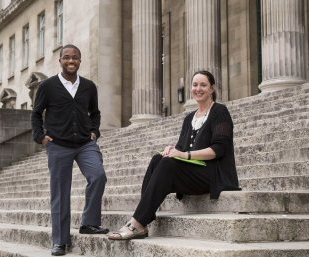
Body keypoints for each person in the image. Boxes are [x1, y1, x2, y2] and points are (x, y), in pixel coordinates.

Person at [108, 70, 241, 240]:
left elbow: (219, 149)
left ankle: (137, 223)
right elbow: (181, 148)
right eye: (194, 85)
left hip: (214, 174)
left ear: (212, 89)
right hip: (194, 173)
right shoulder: (189, 118)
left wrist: (185, 155)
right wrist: (171, 150)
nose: (198, 89)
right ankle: (143, 220)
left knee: (168, 164)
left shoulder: (220, 111)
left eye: (203, 85)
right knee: (159, 159)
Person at [31, 44, 109, 256]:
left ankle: (89, 223)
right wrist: (40, 137)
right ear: (60, 61)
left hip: (85, 143)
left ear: (80, 61)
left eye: (75, 58)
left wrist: (94, 132)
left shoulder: (89, 86)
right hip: (58, 145)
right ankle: (59, 241)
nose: (71, 61)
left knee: (98, 175)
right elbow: (36, 114)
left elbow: (95, 113)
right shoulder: (47, 86)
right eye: (66, 57)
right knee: (60, 193)